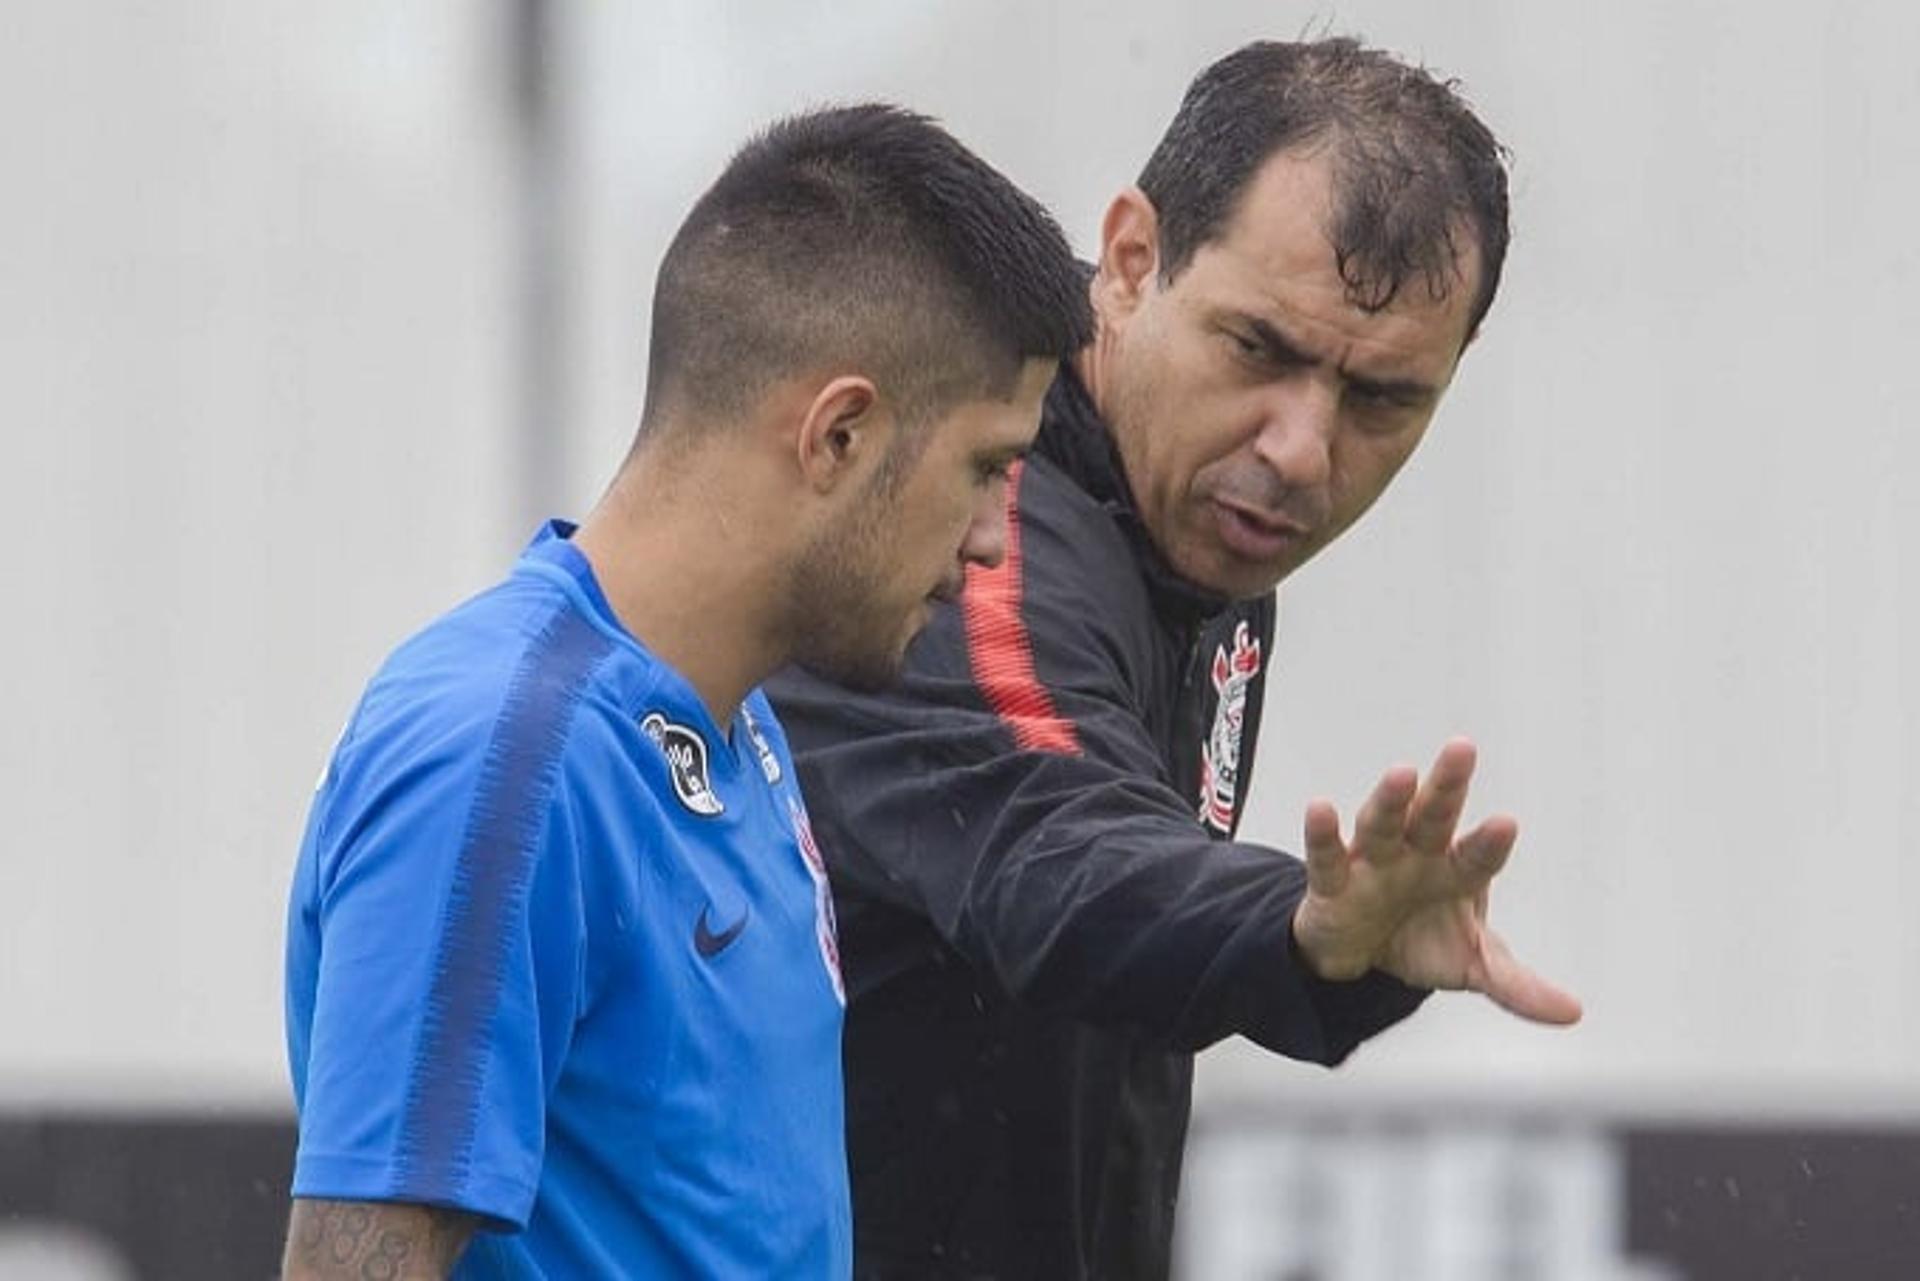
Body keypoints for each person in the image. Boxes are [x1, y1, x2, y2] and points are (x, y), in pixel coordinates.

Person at [767, 38, 1582, 1281]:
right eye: (1260, 349)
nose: (1303, 449)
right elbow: (1058, 849)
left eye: (1382, 401)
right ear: (1132, 263)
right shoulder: (979, 536)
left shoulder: (1199, 531)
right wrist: (1299, 931)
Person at [279, 104, 1092, 1279]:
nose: (988, 543)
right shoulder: (501, 756)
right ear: (839, 435)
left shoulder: (735, 720)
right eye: (984, 471)